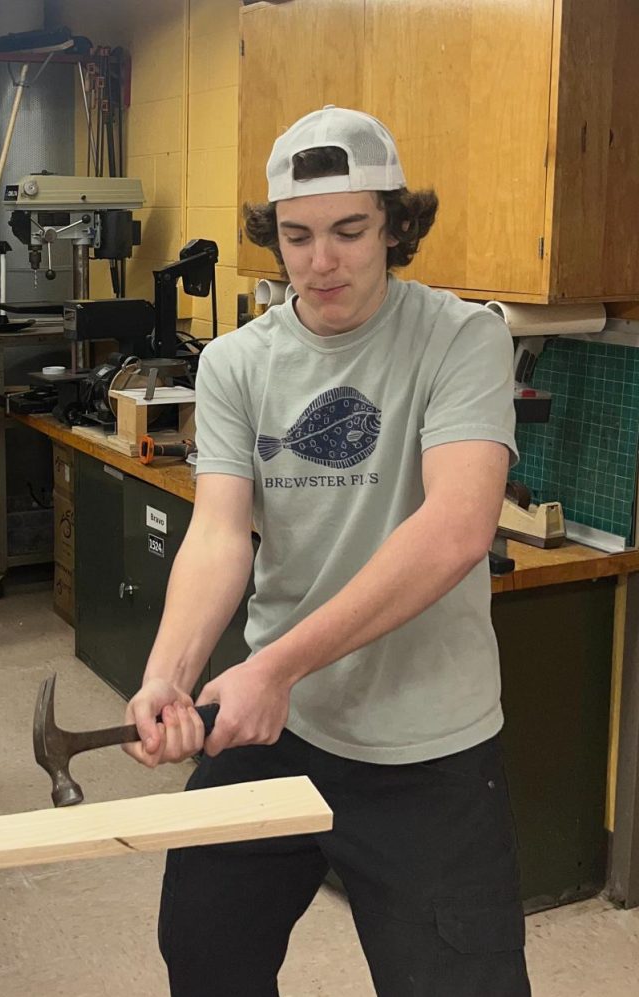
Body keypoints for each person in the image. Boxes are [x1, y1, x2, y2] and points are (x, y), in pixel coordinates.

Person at [124, 105, 531, 995]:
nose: (321, 261)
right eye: (298, 236)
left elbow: (457, 529)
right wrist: (169, 670)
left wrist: (277, 666)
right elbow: (222, 533)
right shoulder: (236, 363)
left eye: (350, 230)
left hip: (429, 744)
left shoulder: (463, 339)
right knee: (205, 950)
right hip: (283, 728)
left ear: (395, 223)